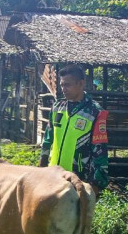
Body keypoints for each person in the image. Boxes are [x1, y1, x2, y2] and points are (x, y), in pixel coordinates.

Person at [39, 64, 109, 194]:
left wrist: (97, 184)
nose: (63, 89)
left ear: (81, 84)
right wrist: (41, 166)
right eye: (62, 85)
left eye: (68, 85)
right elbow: (48, 139)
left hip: (78, 180)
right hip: (53, 176)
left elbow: (100, 150)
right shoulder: (57, 107)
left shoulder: (95, 112)